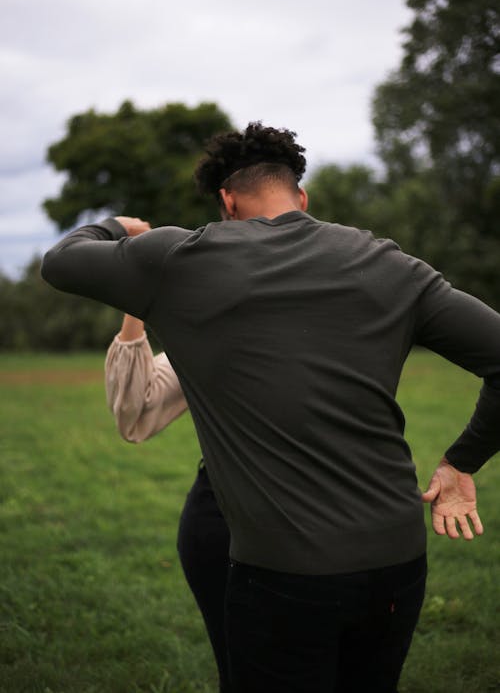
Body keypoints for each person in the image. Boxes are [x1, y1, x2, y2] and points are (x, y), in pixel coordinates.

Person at [42, 122, 500, 693]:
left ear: (227, 200)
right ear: (300, 196)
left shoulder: (180, 257)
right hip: (397, 560)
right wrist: (461, 462)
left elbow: (60, 261)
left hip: (281, 572)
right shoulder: (391, 263)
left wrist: (118, 228)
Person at [105, 310, 231, 692]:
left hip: (334, 525)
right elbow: (136, 408)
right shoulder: (218, 331)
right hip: (225, 527)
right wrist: (136, 295)